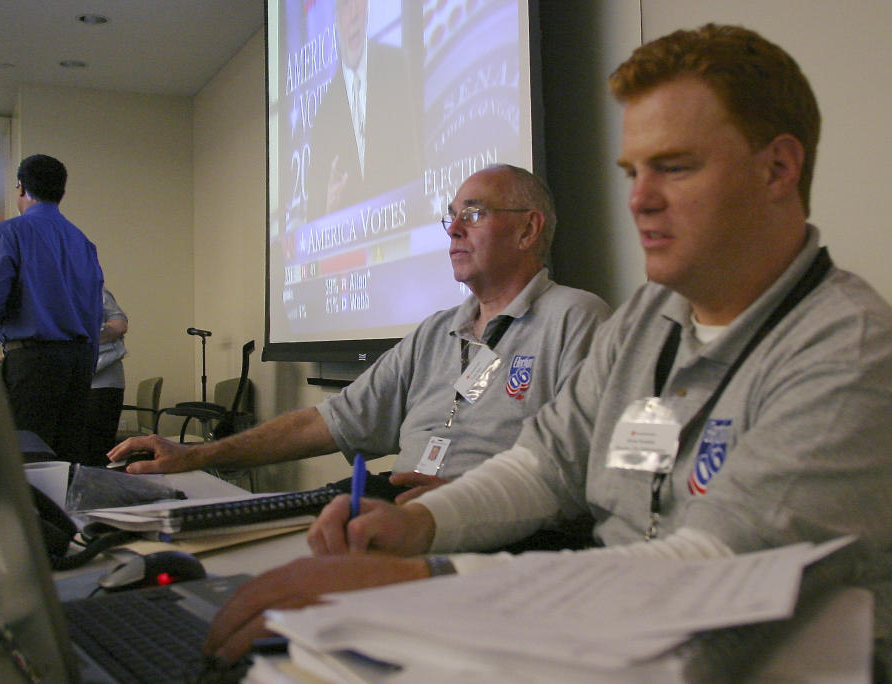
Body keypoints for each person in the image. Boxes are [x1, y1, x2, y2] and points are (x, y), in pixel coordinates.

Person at [199, 24, 892, 667]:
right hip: (593, 640)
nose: (641, 200)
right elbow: (544, 465)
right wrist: (419, 528)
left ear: (778, 169)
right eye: (632, 172)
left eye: (674, 167)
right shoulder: (649, 319)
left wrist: (422, 579)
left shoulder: (849, 350)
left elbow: (710, 570)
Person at [111, 164, 611, 502]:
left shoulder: (575, 318)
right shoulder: (436, 333)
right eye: (450, 216)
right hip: (396, 509)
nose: (454, 229)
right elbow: (326, 423)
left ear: (527, 230)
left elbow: (583, 468)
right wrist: (195, 456)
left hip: (498, 533)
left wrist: (466, 500)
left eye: (474, 213)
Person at [0, 154, 103, 465]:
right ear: (61, 192)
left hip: (33, 365)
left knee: (26, 468)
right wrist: (85, 371)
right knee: (67, 466)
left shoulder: (7, 233)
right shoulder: (83, 242)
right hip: (78, 366)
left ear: (21, 188)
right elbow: (93, 315)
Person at [306, 0, 421, 220]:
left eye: (360, 4)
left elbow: (414, 164)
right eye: (346, 6)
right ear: (336, 19)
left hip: (402, 226)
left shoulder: (396, 66)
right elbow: (315, 215)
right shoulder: (325, 113)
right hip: (349, 244)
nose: (355, 15)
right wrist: (328, 207)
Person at [87, 288, 129, 465]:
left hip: (103, 384)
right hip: (81, 383)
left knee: (96, 451)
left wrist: (79, 337)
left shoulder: (94, 291)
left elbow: (120, 325)